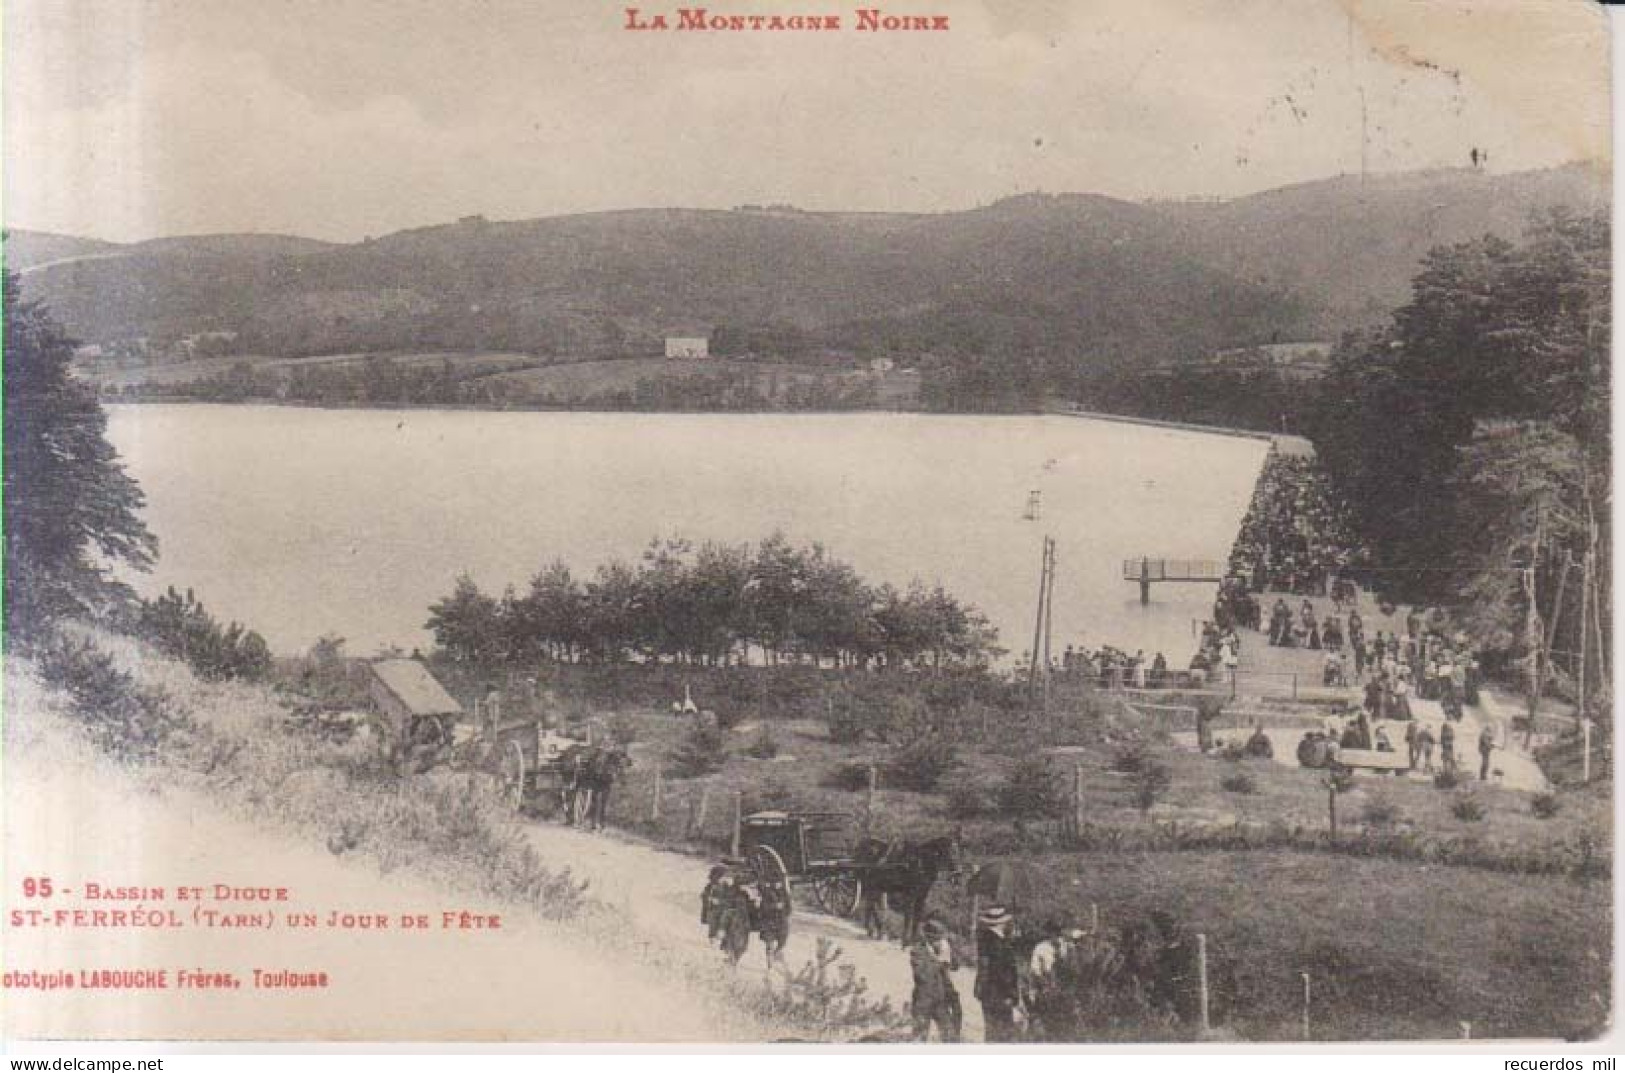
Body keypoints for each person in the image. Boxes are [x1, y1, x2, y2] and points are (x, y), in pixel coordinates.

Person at [974, 906, 1023, 1042]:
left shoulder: (986, 941)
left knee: (992, 1033)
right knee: (1002, 1035)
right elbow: (1001, 973)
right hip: (1000, 996)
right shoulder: (999, 945)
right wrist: (1010, 995)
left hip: (989, 995)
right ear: (1002, 924)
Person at [909, 917, 962, 1042]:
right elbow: (922, 975)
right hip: (923, 1000)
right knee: (919, 1037)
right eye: (939, 939)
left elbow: (956, 966)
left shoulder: (943, 949)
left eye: (942, 939)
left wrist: (950, 953)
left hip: (942, 998)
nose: (941, 942)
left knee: (950, 1035)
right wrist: (940, 961)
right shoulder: (918, 951)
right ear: (930, 938)